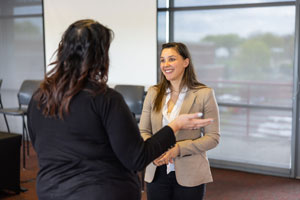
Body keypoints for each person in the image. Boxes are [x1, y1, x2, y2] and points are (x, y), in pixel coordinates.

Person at [27, 20, 214, 200]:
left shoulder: (39, 97)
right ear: (99, 55)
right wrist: (175, 126)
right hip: (102, 192)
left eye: (172, 59)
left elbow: (39, 146)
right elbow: (136, 158)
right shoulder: (106, 99)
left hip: (51, 191)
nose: (166, 64)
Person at [139, 42, 220, 200]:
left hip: (190, 172)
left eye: (171, 59)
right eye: (162, 60)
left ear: (186, 62)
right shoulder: (153, 93)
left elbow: (213, 137)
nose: (166, 64)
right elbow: (143, 131)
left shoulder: (204, 94)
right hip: (156, 169)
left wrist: (178, 149)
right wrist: (152, 150)